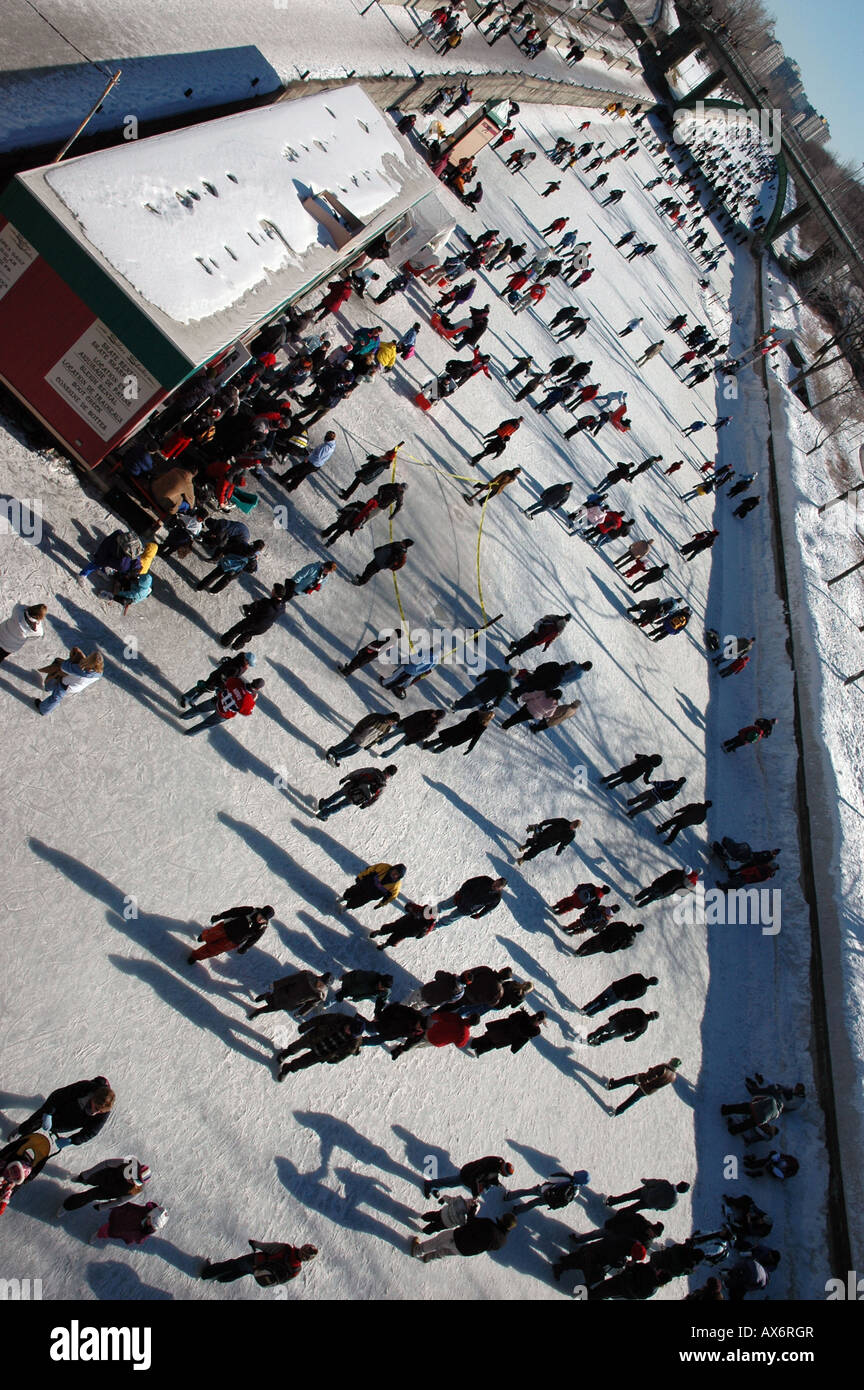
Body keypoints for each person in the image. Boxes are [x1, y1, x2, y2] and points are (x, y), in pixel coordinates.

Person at [12, 1077, 115, 1150]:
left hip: (73, 1121)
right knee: (37, 1120)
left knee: (55, 1126)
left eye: (100, 1111)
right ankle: (21, 1131)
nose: (96, 1112)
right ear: (93, 1098)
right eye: (96, 1108)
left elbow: (91, 1132)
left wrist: (72, 1140)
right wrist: (48, 1113)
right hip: (64, 1105)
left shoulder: (104, 1113)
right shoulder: (84, 1088)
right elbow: (58, 1096)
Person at [277, 1014, 365, 1078]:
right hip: (316, 1036)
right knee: (298, 1045)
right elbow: (322, 1019)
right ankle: (286, 1053)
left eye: (351, 1033)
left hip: (324, 1052)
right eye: (349, 1028)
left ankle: (288, 1068)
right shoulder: (341, 1019)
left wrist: (335, 1060)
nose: (348, 1031)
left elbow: (346, 1053)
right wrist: (307, 1025)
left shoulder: (354, 1043)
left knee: (303, 1063)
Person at [201, 1240, 318, 1285]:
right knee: (242, 1272)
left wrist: (255, 1244)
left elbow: (267, 1247)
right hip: (260, 1271)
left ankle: (207, 1273)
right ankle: (222, 1279)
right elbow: (282, 1280)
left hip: (256, 1261)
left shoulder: (286, 1249)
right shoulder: (297, 1269)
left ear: (302, 1248)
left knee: (233, 1264)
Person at [58, 1157, 150, 1214]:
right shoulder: (127, 1164)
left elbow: (121, 1200)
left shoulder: (137, 1188)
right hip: (104, 1176)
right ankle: (80, 1179)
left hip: (110, 1191)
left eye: (137, 1181)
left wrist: (103, 1207)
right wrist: (87, 1173)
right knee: (87, 1179)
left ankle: (67, 1206)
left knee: (88, 1196)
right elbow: (106, 1163)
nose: (132, 1181)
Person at [411, 1212, 516, 1262]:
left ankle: (417, 1250)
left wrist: (472, 1210)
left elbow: (471, 1222)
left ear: (502, 1220)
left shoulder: (489, 1224)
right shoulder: (503, 1241)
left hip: (458, 1238)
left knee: (438, 1241)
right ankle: (429, 1257)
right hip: (466, 1251)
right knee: (446, 1252)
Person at [188, 904, 274, 964]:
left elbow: (253, 939)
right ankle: (204, 936)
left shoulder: (261, 928)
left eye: (264, 919)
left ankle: (196, 956)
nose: (261, 920)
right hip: (224, 928)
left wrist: (244, 948)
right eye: (261, 916)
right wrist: (219, 916)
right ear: (259, 912)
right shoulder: (250, 911)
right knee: (210, 936)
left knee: (213, 950)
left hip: (232, 942)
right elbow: (233, 912)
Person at [180, 675, 264, 734]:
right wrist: (253, 700)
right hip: (224, 714)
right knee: (205, 724)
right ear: (257, 689)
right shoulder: (249, 700)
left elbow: (227, 682)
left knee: (199, 709)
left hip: (216, 701)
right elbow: (246, 712)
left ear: (253, 680)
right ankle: (189, 733)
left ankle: (184, 716)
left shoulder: (237, 682)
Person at [35, 648, 103, 716]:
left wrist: (72, 659)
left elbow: (64, 667)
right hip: (76, 687)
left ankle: (43, 709)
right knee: (57, 678)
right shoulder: (99, 674)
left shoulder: (80, 670)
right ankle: (48, 687)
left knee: (56, 697)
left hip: (66, 685)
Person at [316, 765, 398, 819]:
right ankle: (323, 814)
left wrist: (346, 778)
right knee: (340, 806)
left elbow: (358, 772)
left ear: (385, 768)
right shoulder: (382, 786)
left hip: (351, 786)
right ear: (390, 776)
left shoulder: (373, 771)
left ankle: (324, 804)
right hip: (357, 797)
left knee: (337, 795)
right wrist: (365, 805)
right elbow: (375, 798)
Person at [220, 584, 286, 649]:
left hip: (253, 622)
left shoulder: (266, 602)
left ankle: (224, 642)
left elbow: (254, 609)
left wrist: (252, 606)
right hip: (263, 628)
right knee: (247, 634)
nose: (272, 590)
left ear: (276, 594)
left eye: (273, 590)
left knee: (237, 629)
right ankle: (236, 647)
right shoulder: (283, 606)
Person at [606, 1059, 682, 1116]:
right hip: (649, 1090)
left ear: (671, 1062)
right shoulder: (673, 1077)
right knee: (632, 1100)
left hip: (643, 1081)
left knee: (627, 1080)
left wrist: (640, 1079)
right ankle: (617, 1111)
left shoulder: (663, 1068)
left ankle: (612, 1085)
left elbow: (651, 1076)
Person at [249, 970, 332, 1019]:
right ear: (319, 978)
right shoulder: (305, 977)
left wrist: (301, 1012)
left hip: (291, 1003)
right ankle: (265, 996)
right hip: (282, 993)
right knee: (270, 999)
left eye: (323, 986)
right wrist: (275, 984)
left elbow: (311, 1005)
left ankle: (258, 1011)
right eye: (321, 983)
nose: (320, 986)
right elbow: (289, 980)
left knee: (272, 1008)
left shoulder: (319, 995)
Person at [424, 1155, 513, 1199]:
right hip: (467, 1175)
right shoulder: (490, 1168)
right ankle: (429, 1184)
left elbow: (492, 1175)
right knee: (450, 1182)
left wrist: (496, 1182)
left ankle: (436, 1187)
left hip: (470, 1171)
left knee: (450, 1183)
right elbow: (475, 1177)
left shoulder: (498, 1163)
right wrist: (475, 1194)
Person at [325, 712, 399, 765]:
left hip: (365, 742)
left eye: (394, 723)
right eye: (393, 722)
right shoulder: (376, 717)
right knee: (345, 746)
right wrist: (355, 733)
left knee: (351, 752)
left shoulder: (388, 727)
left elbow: (379, 737)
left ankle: (338, 756)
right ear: (390, 718)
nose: (392, 724)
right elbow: (362, 723)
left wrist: (370, 744)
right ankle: (332, 751)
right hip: (357, 736)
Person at [505, 1168, 590, 1214]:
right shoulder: (576, 1192)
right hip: (549, 1199)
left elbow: (551, 1178)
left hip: (544, 1190)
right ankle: (517, 1210)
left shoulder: (567, 1179)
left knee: (527, 1192)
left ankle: (509, 1196)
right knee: (533, 1204)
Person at [422, 708, 494, 756]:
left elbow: (468, 717)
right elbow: (476, 737)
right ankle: (437, 751)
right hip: (463, 736)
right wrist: (470, 748)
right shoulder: (483, 726)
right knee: (448, 743)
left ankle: (427, 745)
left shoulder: (476, 713)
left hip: (459, 728)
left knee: (443, 738)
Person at [473, 1009, 546, 1056]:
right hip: (508, 1037)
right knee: (493, 1043)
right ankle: (479, 1050)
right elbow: (525, 1036)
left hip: (503, 1029)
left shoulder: (523, 1015)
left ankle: (475, 1043)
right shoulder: (535, 1030)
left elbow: (511, 1017)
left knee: (489, 1036)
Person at [581, 973, 658, 1017]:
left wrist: (618, 983)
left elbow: (626, 978)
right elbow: (632, 998)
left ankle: (586, 1008)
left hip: (615, 986)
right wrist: (624, 998)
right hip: (619, 996)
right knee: (605, 1005)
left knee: (600, 998)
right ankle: (591, 1013)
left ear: (650, 978)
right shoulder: (643, 991)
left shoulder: (639, 976)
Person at [337, 863, 405, 913]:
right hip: (364, 884)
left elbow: (391, 897)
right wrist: (360, 877)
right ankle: (344, 897)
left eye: (397, 875)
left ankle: (346, 907)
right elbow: (370, 870)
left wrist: (381, 904)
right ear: (393, 869)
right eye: (395, 872)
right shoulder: (384, 867)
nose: (395, 875)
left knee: (357, 902)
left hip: (370, 896)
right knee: (351, 891)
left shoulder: (396, 886)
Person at [92, 1201, 168, 1247]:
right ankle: (99, 1234)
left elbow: (141, 1238)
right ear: (150, 1215)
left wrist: (137, 1239)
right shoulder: (142, 1211)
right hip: (121, 1220)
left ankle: (102, 1233)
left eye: (153, 1227)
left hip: (125, 1232)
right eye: (151, 1222)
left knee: (113, 1232)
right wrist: (117, 1207)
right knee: (108, 1229)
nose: (150, 1225)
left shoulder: (149, 1229)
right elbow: (130, 1207)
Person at [370, 902, 437, 950]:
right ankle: (379, 932)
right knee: (389, 928)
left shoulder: (429, 924)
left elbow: (425, 932)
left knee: (394, 939)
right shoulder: (420, 909)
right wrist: (409, 907)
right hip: (402, 923)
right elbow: (410, 906)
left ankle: (385, 945)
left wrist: (422, 934)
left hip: (408, 932)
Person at [439, 874, 506, 920]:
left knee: (450, 918)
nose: (495, 886)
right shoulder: (485, 879)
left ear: (501, 889)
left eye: (498, 886)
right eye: (496, 883)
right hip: (460, 898)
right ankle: (433, 913)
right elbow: (468, 883)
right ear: (496, 880)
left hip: (467, 909)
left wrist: (479, 915)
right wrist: (460, 893)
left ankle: (435, 926)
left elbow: (488, 908)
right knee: (443, 906)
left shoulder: (496, 898)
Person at [516, 818, 580, 862]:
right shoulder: (563, 821)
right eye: (573, 825)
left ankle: (523, 858)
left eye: (574, 827)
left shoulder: (571, 835)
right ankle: (526, 845)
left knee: (535, 851)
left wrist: (559, 850)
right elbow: (551, 821)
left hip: (550, 843)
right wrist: (542, 824)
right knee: (533, 841)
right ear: (572, 822)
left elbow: (564, 843)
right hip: (545, 834)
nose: (572, 827)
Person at [586, 1008, 659, 1046]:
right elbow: (636, 1035)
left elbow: (625, 1011)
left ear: (650, 1012)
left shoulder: (640, 1011)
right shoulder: (644, 1026)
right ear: (652, 1019)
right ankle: (597, 1041)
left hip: (619, 1021)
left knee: (605, 1029)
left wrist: (615, 1016)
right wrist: (629, 1038)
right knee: (610, 1036)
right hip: (623, 1031)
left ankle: (593, 1036)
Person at [633, 867, 699, 906]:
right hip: (664, 892)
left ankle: (636, 898)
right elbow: (679, 892)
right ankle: (639, 905)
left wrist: (656, 881)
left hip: (659, 884)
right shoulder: (683, 883)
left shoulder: (675, 871)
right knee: (651, 898)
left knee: (648, 890)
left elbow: (665, 875)